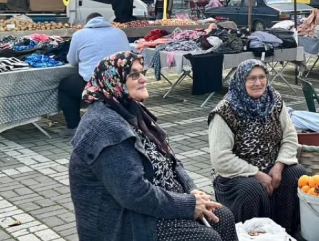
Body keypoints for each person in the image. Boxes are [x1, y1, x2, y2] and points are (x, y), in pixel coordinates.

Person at [69, 53, 236, 241]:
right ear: (112, 80)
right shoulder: (106, 126)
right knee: (205, 238)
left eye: (142, 72)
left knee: (223, 218)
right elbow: (134, 194)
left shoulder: (129, 109)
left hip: (152, 203)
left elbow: (169, 160)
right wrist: (188, 205)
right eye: (133, 75)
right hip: (125, 220)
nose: (143, 79)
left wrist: (191, 190)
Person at [208, 59, 306, 234]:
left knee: (297, 174)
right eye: (251, 78)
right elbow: (220, 158)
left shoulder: (274, 100)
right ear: (240, 81)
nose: (258, 83)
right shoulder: (225, 111)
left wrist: (279, 165)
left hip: (272, 167)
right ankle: (250, 236)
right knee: (252, 190)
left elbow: (290, 136)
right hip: (236, 175)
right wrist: (256, 174)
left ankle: (286, 233)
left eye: (262, 77)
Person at [58, 13, 129, 137]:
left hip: (94, 84)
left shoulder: (79, 35)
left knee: (65, 86)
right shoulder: (120, 32)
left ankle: (73, 127)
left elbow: (72, 60)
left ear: (87, 22)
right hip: (121, 82)